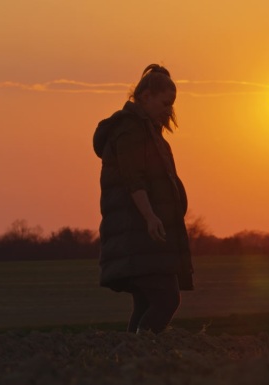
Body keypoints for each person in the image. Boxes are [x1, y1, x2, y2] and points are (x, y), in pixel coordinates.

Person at [92, 64, 193, 334]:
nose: (168, 110)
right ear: (146, 96)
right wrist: (150, 217)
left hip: (147, 238)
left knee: (147, 302)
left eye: (171, 105)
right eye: (165, 103)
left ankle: (131, 362)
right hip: (138, 235)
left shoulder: (149, 132)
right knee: (166, 299)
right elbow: (132, 179)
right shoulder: (130, 129)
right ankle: (142, 358)